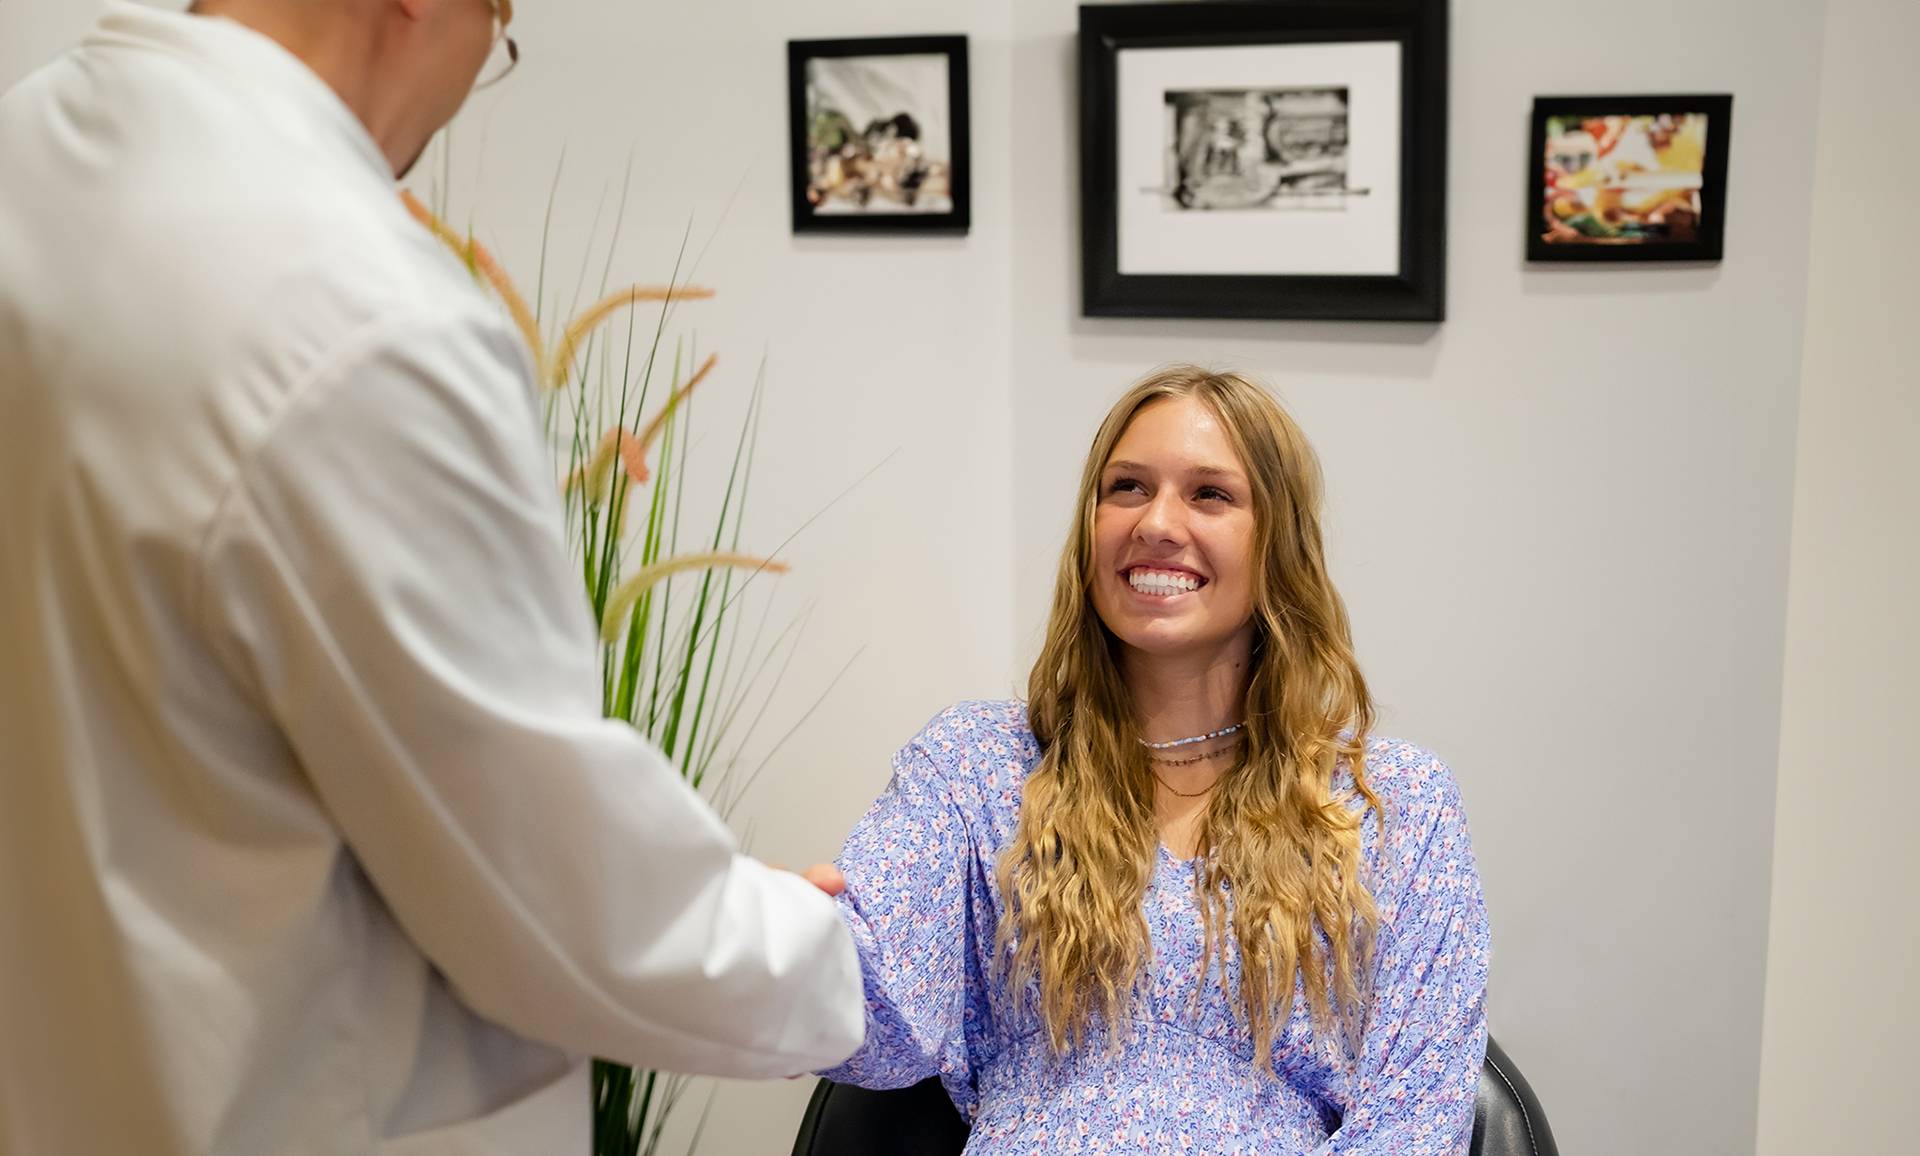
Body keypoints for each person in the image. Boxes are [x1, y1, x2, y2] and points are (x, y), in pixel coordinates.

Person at [0, 1, 863, 1152]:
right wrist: (831, 952)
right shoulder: (364, 312)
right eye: (496, 30)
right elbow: (557, 906)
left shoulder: (34, 145)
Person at [820, 366, 1491, 1152]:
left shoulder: (1394, 805)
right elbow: (869, 1012)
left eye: (1210, 495)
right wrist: (785, 945)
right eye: (1128, 488)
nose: (1157, 523)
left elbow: (1416, 1122)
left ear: (1280, 545)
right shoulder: (976, 766)